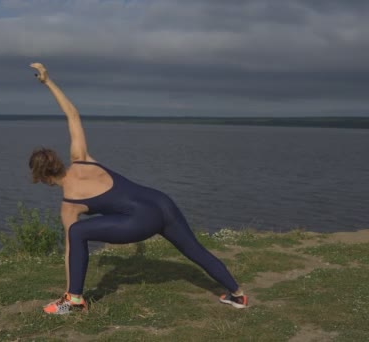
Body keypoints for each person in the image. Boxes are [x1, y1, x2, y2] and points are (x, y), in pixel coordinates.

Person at [28, 63, 248, 315]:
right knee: (195, 250)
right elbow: (73, 115)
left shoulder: (70, 204)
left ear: (42, 178)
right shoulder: (82, 157)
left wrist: (70, 282)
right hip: (162, 203)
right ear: (57, 160)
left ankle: (74, 299)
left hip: (142, 220)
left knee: (76, 232)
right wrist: (48, 82)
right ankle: (238, 295)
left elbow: (71, 250)